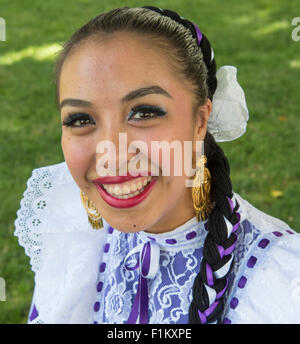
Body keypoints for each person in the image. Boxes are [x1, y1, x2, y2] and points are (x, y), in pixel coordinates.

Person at [14, 6, 300, 324]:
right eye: (81, 118)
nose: (111, 154)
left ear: (200, 120)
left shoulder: (281, 287)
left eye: (144, 112)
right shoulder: (75, 239)